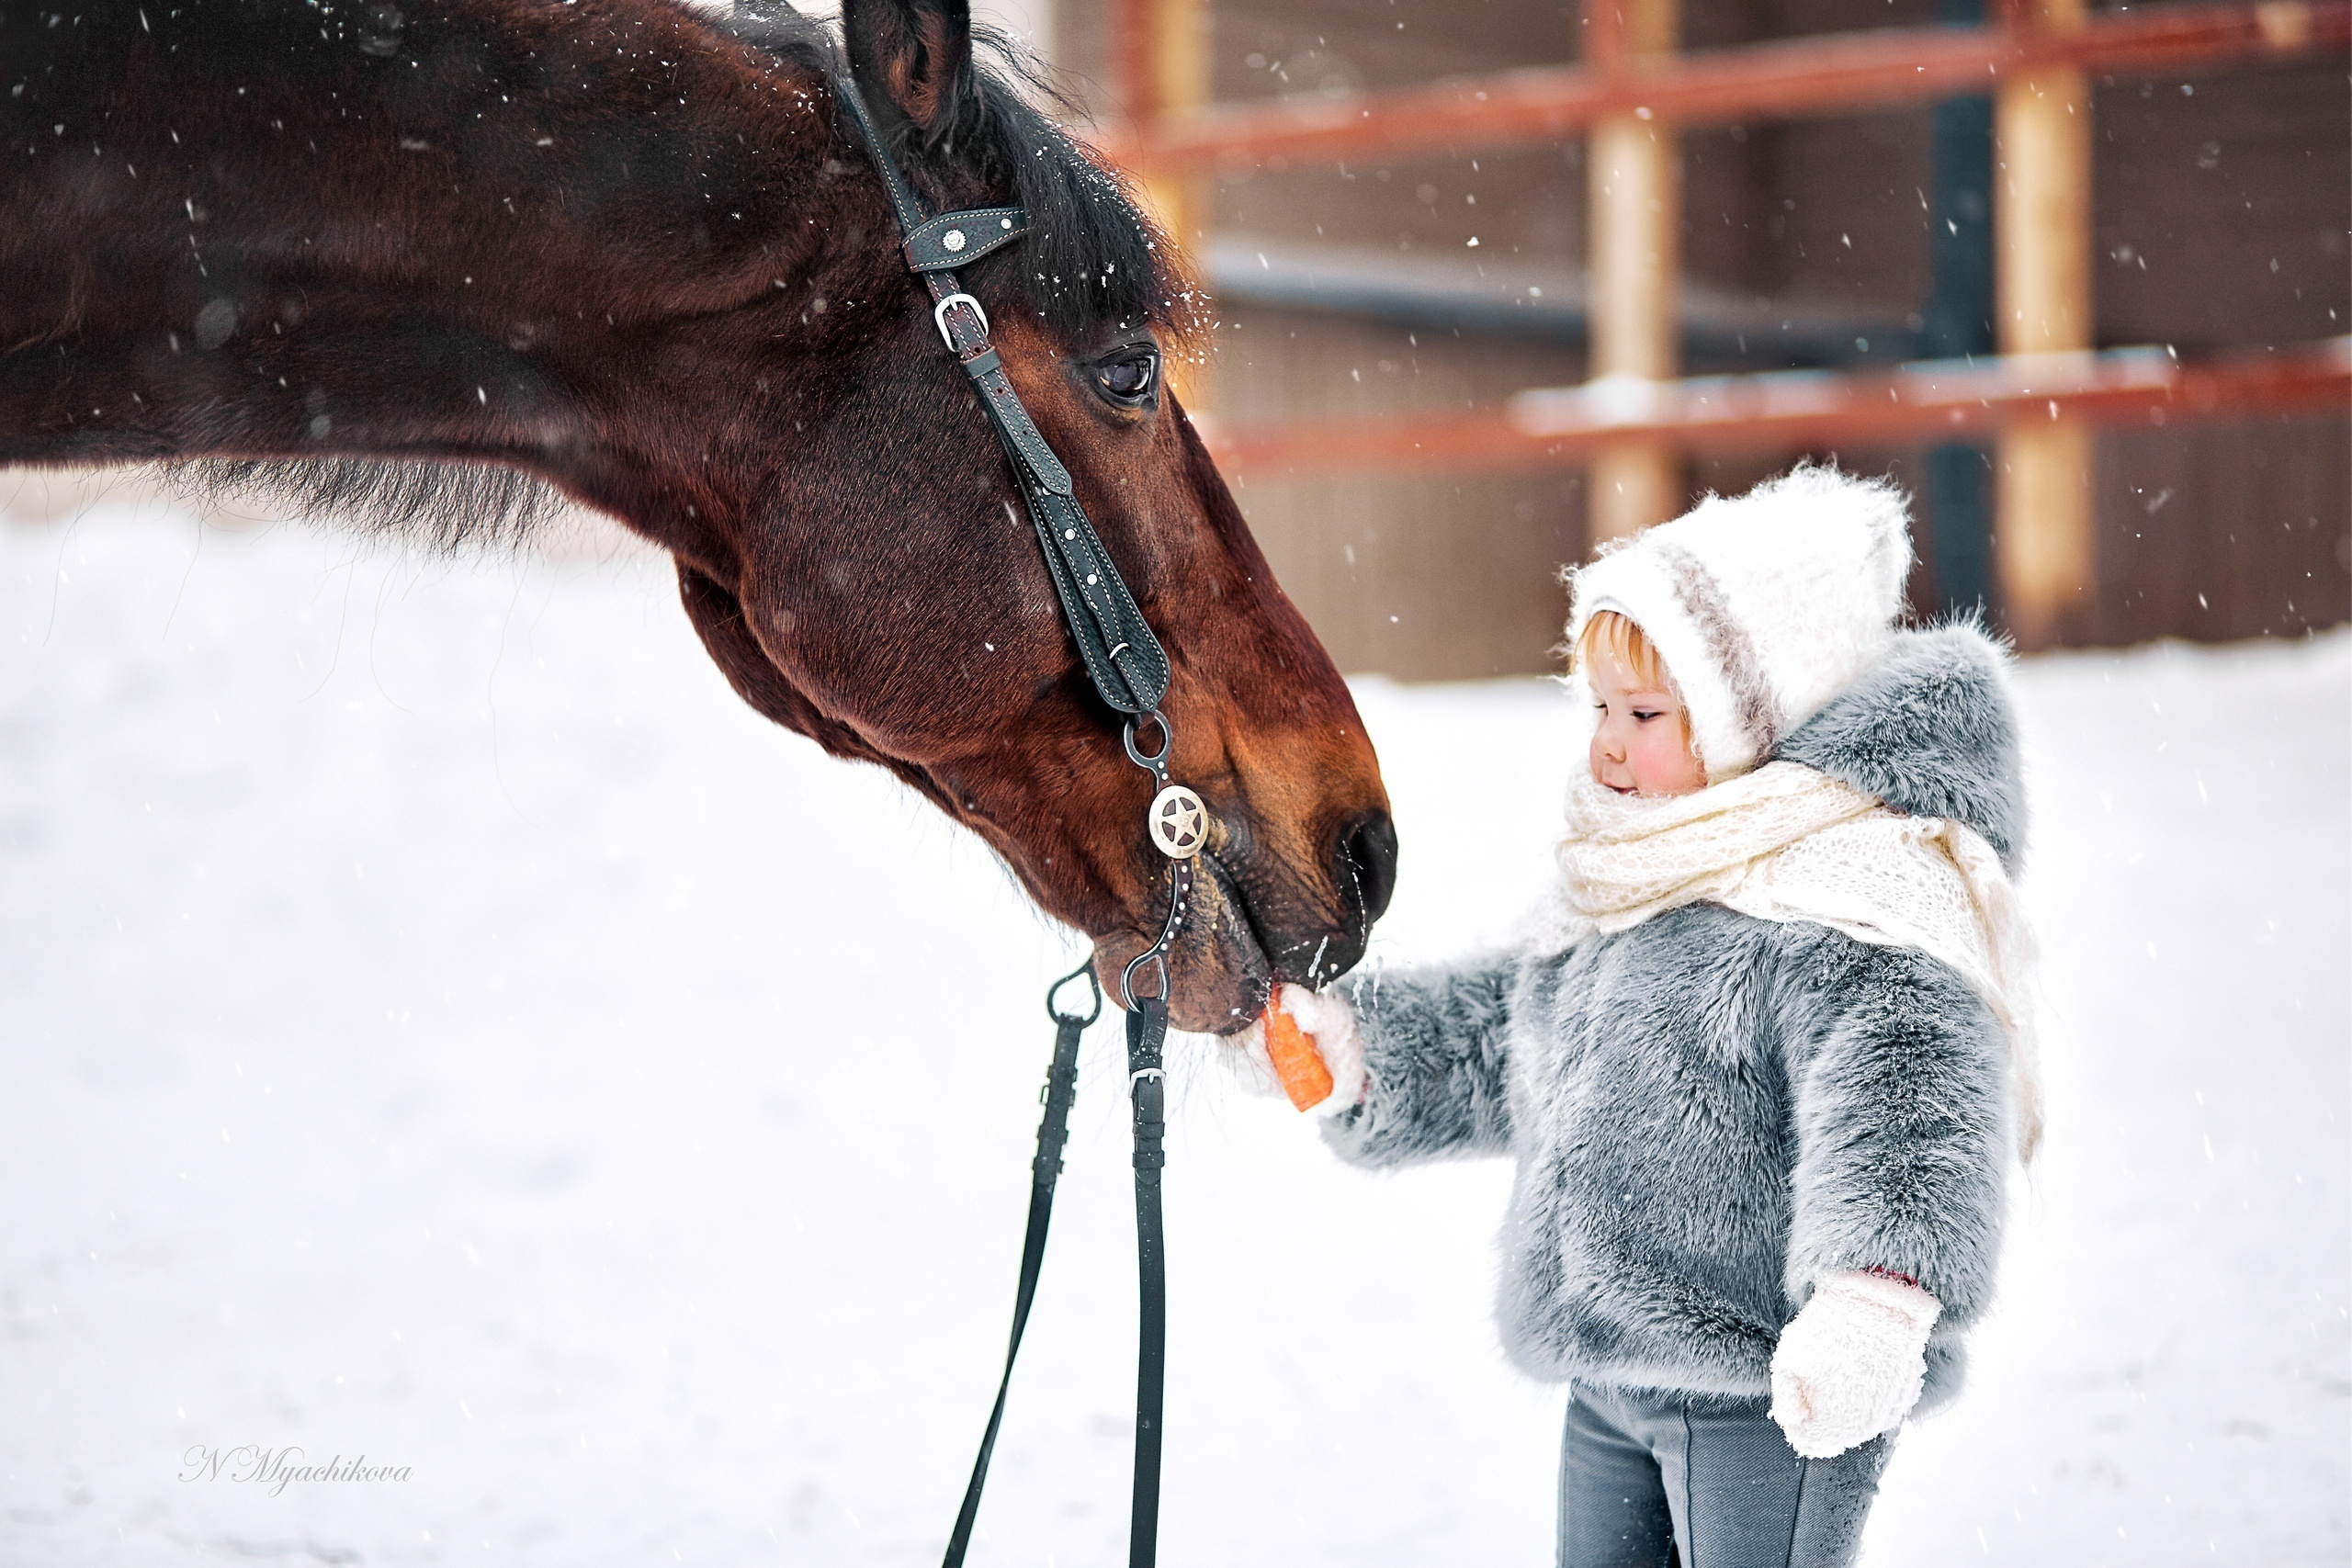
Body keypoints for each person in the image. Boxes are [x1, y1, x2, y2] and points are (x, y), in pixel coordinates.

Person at [1230, 466, 2042, 1568]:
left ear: (1753, 715)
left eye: (1647, 714)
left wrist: (1877, 1298)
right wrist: (1366, 1050)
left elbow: (1910, 1103)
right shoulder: (1643, 867)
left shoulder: (1857, 894)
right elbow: (1508, 1030)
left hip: (1763, 1386)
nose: (1608, 740)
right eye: (1601, 707)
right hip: (1606, 1374)